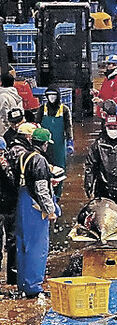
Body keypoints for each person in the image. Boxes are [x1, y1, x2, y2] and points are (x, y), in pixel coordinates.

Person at [10, 126, 58, 298]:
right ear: (44, 144)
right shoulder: (39, 160)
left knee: (23, 245)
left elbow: (24, 179)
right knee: (37, 247)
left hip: (23, 203)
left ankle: (23, 283)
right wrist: (50, 210)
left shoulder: (24, 156)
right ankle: (34, 286)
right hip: (35, 208)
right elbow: (41, 189)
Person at [35, 87, 73, 194]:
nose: (51, 98)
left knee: (59, 166)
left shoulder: (64, 109)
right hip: (44, 143)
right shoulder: (42, 109)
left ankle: (57, 192)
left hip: (59, 144)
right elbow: (36, 124)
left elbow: (68, 126)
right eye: (49, 95)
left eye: (54, 95)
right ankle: (46, 190)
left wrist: (70, 141)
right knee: (44, 165)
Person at [0, 136, 17, 286]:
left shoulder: (8, 162)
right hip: (5, 207)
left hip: (9, 206)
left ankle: (12, 279)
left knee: (12, 243)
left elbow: (13, 183)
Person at [0, 72, 23, 136]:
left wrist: (9, 130)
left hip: (4, 132)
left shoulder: (2, 96)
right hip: (15, 130)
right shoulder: (17, 95)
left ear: (1, 82)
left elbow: (4, 115)